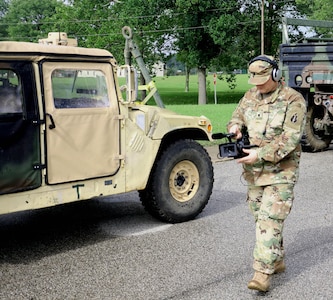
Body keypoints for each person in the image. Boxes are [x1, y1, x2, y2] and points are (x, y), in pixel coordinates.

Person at [227, 55, 306, 292]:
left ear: (275, 75)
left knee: (268, 220)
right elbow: (238, 115)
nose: (258, 85)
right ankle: (277, 258)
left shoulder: (294, 100)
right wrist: (234, 128)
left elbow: (289, 139)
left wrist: (259, 154)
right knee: (260, 216)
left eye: (263, 79)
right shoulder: (250, 96)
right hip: (254, 172)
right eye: (254, 80)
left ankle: (261, 274)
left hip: (281, 171)